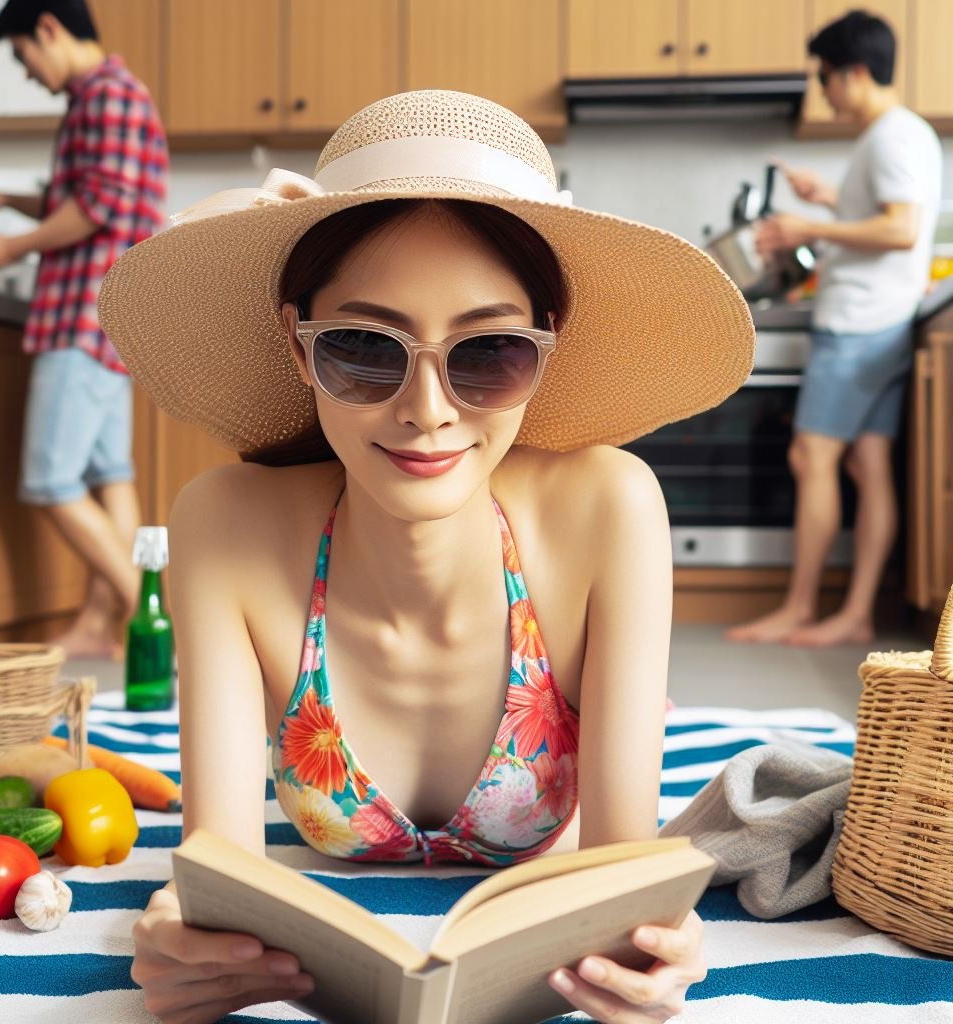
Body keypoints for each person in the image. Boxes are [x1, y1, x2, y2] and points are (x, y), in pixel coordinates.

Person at [97, 90, 754, 1024]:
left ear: (547, 353)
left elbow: (618, 874)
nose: (428, 407)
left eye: (488, 353)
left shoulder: (610, 510)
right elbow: (219, 871)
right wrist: (180, 935)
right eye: (365, 348)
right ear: (298, 345)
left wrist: (653, 948)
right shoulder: (224, 526)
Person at [0, 0, 168, 657]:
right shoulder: (107, 99)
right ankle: (100, 627)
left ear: (48, 28)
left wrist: (11, 247)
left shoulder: (106, 97)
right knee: (111, 475)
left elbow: (98, 204)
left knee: (50, 481)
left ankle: (150, 623)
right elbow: (81, 196)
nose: (26, 73)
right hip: (107, 319)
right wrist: (5, 202)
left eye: (23, 55)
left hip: (81, 318)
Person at [727, 10, 942, 648]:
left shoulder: (891, 137)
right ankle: (853, 614)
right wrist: (830, 201)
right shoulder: (898, 136)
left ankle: (798, 607)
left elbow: (901, 229)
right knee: (869, 463)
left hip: (859, 325)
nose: (824, 92)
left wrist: (808, 227)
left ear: (852, 71)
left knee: (810, 454)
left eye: (825, 77)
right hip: (883, 319)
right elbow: (887, 222)